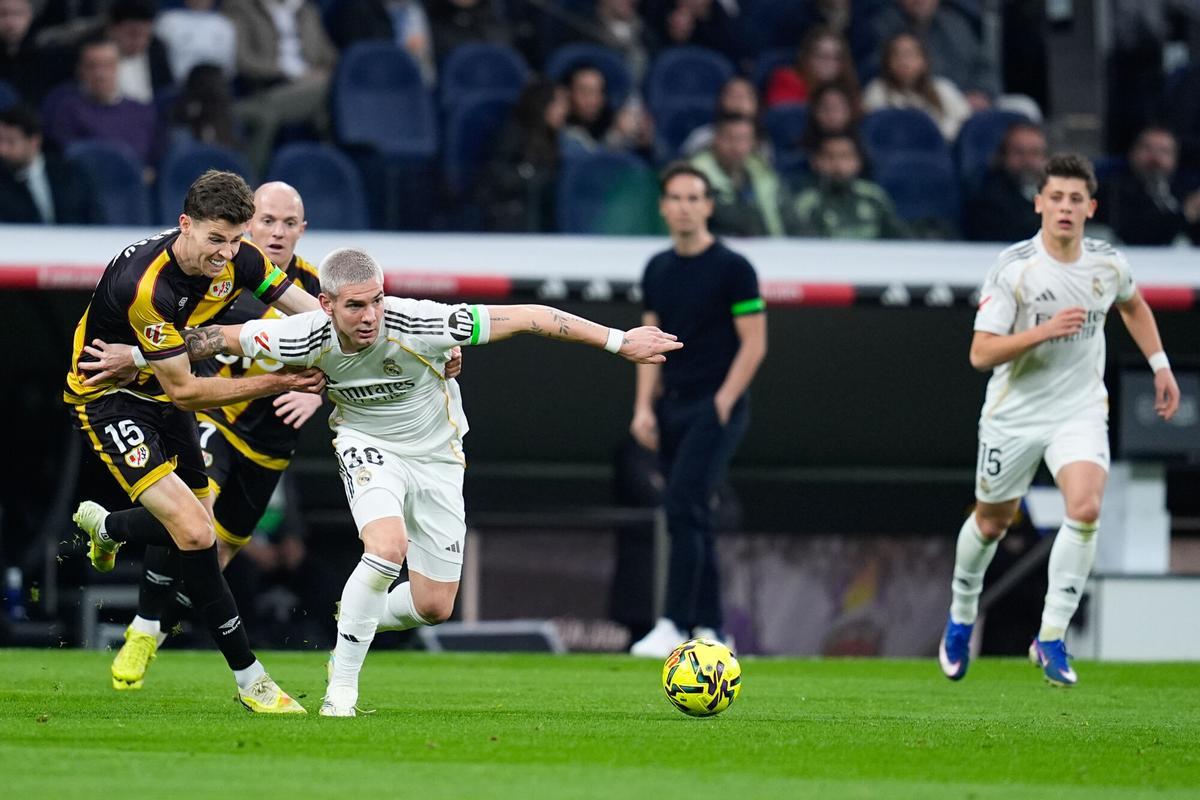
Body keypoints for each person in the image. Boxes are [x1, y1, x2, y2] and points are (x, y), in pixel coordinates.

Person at [173, 247, 682, 715]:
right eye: (355, 306)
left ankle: (357, 611)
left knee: (434, 606)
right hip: (367, 446)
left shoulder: (420, 320)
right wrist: (133, 355)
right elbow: (214, 338)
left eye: (376, 300)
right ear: (325, 304)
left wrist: (620, 341)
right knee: (386, 547)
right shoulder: (300, 333)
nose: (370, 315)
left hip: (438, 457)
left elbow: (533, 316)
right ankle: (341, 691)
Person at [64, 170, 326, 713]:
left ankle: (107, 525)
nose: (227, 254)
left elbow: (317, 314)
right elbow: (184, 390)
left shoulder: (244, 259)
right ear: (185, 224)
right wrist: (282, 380)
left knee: (200, 531)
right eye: (215, 240)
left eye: (236, 240)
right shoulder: (147, 286)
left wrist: (398, 342)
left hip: (169, 390)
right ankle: (252, 681)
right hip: (112, 398)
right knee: (195, 529)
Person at [938, 153, 1181, 688]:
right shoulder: (1015, 269)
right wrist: (1041, 333)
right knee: (991, 522)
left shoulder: (1106, 265)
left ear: (1090, 207)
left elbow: (1134, 305)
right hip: (1015, 415)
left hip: (1079, 410)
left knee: (1086, 507)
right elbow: (981, 353)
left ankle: (1050, 636)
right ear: (1039, 204)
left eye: (1076, 199)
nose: (1065, 208)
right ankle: (960, 614)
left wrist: (1160, 365)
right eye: (1057, 198)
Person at [628, 162, 767, 657]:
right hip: (672, 406)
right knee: (692, 514)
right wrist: (644, 407)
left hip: (717, 405)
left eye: (694, 198)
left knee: (682, 504)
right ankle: (712, 626)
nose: (685, 207)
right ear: (664, 207)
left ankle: (673, 621)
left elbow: (754, 344)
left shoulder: (733, 268)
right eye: (676, 198)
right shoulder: (657, 268)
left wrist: (725, 401)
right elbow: (649, 344)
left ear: (708, 205)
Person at [45, 36, 161, 165]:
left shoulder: (142, 112)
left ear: (119, 67)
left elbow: (156, 162)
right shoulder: (66, 112)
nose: (100, 74)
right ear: (80, 70)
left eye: (108, 65)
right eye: (92, 66)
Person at [787, 133, 908, 239]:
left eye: (845, 156)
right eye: (829, 157)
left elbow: (898, 239)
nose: (837, 165)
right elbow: (802, 249)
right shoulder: (806, 204)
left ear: (858, 161)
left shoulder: (874, 196)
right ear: (816, 162)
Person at [1095, 125, 1200, 246]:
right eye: (1147, 149)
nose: (1155, 158)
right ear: (1132, 153)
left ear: (1175, 159)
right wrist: (1185, 214)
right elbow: (1136, 236)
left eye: (1164, 151)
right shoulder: (1112, 191)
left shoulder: (1185, 190)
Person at [689, 113, 786, 237]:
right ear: (715, 140)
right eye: (729, 138)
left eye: (743, 139)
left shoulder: (764, 174)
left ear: (753, 143)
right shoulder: (694, 177)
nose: (736, 146)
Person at [0, 103, 100, 224]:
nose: (2, 149)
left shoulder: (69, 174)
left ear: (34, 142)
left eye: (10, 142)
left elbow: (94, 217)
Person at [861, 31, 971, 142]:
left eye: (910, 54)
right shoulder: (877, 90)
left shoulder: (942, 87)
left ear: (924, 60)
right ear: (887, 61)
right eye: (897, 55)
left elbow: (965, 120)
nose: (904, 62)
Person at [964, 121, 1047, 243]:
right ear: (1002, 157)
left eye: (1035, 153)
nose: (1027, 161)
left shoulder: (1056, 192)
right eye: (1019, 152)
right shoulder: (988, 200)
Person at [764, 26, 859, 109]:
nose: (829, 64)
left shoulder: (847, 90)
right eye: (822, 56)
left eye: (836, 58)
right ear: (807, 58)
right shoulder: (787, 80)